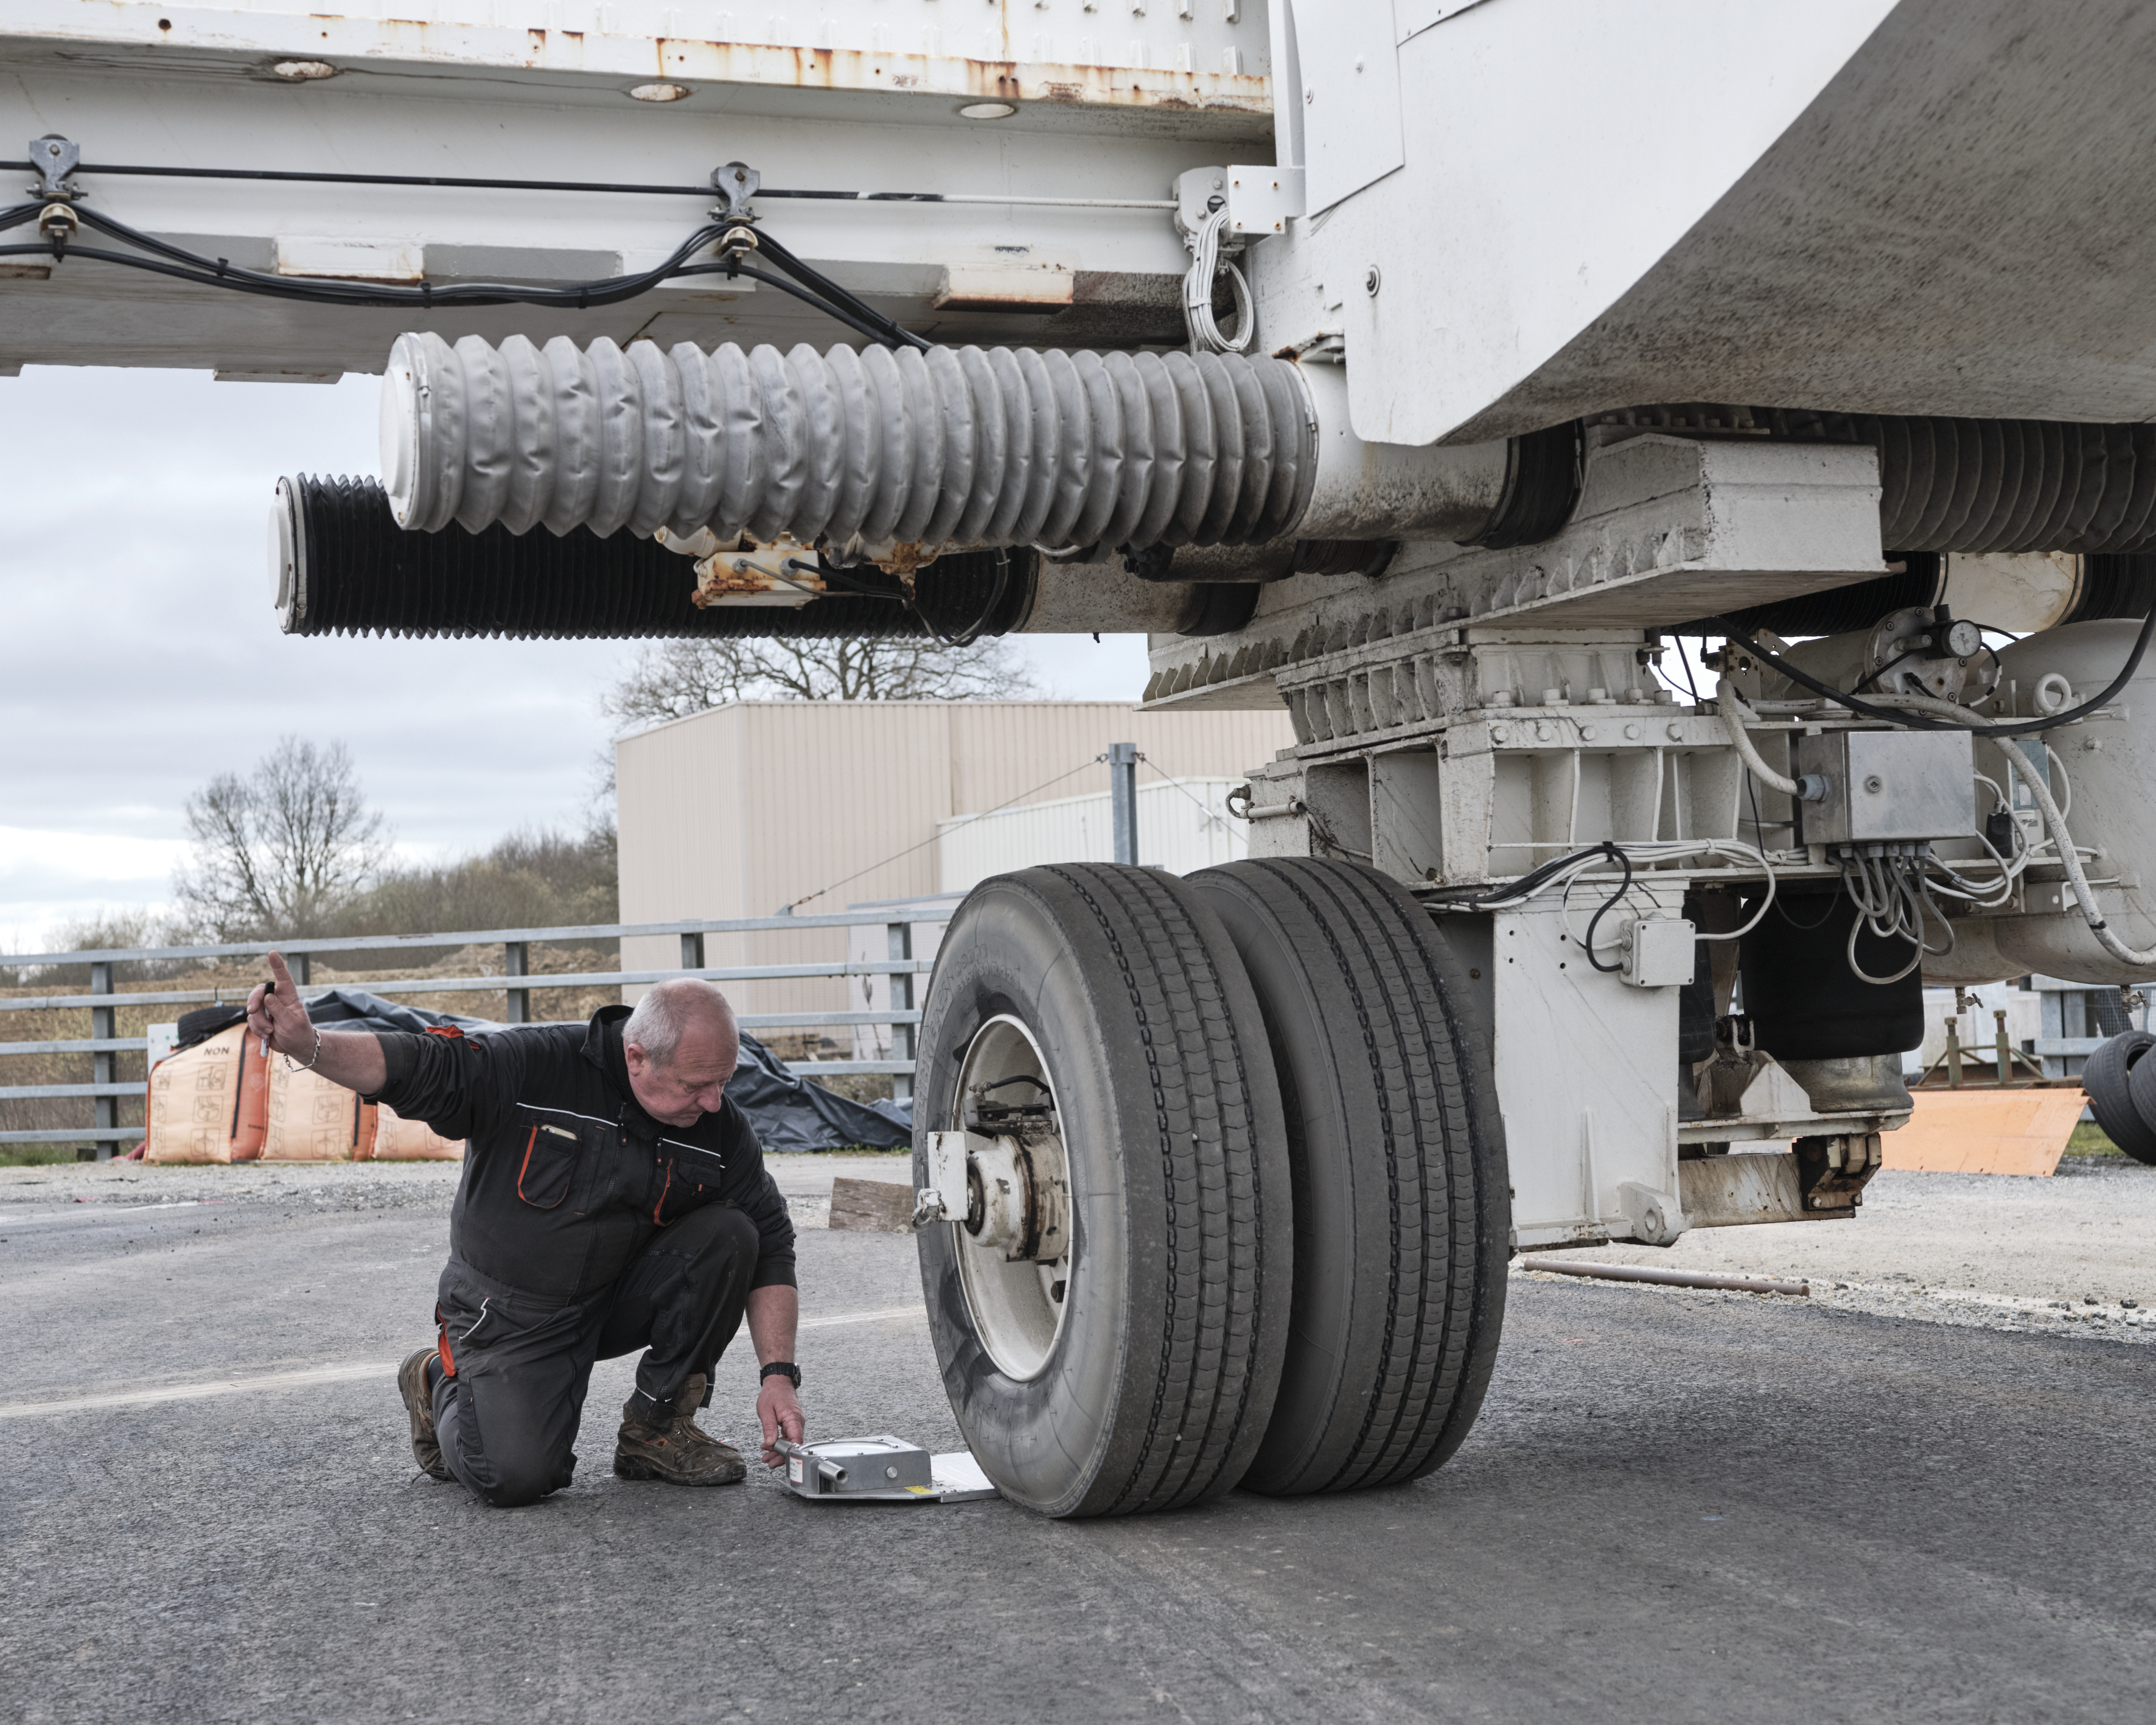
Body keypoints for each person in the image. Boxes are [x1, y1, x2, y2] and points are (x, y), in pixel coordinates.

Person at [245, 953, 806, 1508]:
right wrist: (309, 1045)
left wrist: (777, 1375)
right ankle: (437, 1380)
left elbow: (772, 1238)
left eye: (722, 1082)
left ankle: (657, 1429)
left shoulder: (715, 1123)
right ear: (636, 1057)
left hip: (613, 1299)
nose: (713, 1101)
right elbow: (420, 1063)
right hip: (513, 1313)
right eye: (695, 1086)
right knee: (515, 1476)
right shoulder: (531, 1067)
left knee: (733, 1233)